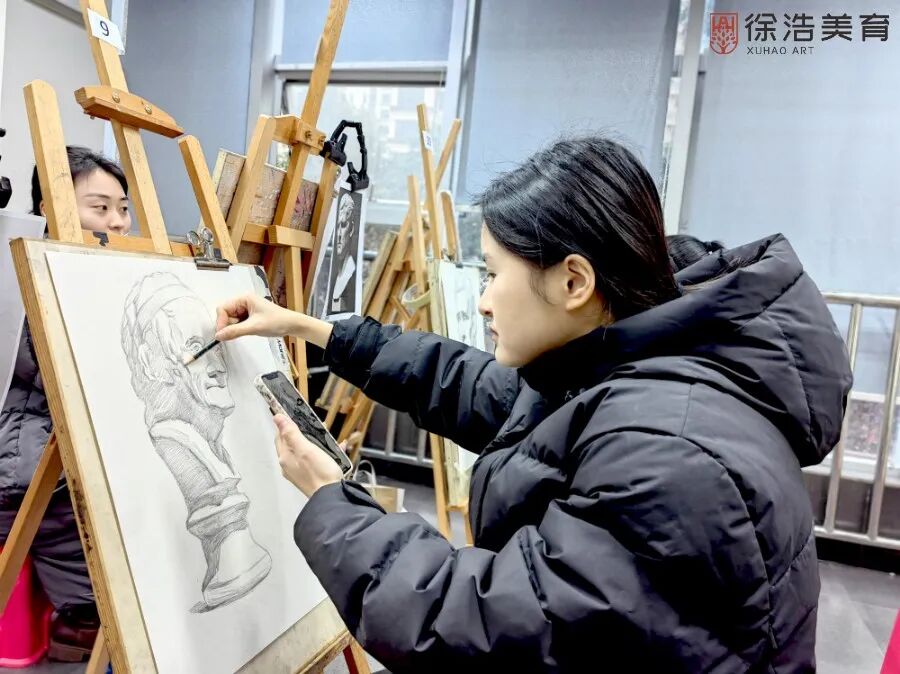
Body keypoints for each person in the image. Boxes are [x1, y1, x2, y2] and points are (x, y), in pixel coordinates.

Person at [215, 136, 852, 673]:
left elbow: (490, 627)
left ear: (574, 281)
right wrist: (311, 329)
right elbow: (474, 387)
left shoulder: (665, 454)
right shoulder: (633, 364)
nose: (483, 299)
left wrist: (333, 501)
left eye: (493, 273)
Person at [0, 146, 131, 662]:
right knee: (108, 565)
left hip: (48, 449)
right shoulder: (27, 276)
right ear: (50, 208)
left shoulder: (90, 271)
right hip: (23, 461)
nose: (117, 222)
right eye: (100, 208)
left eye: (123, 208)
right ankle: (80, 620)